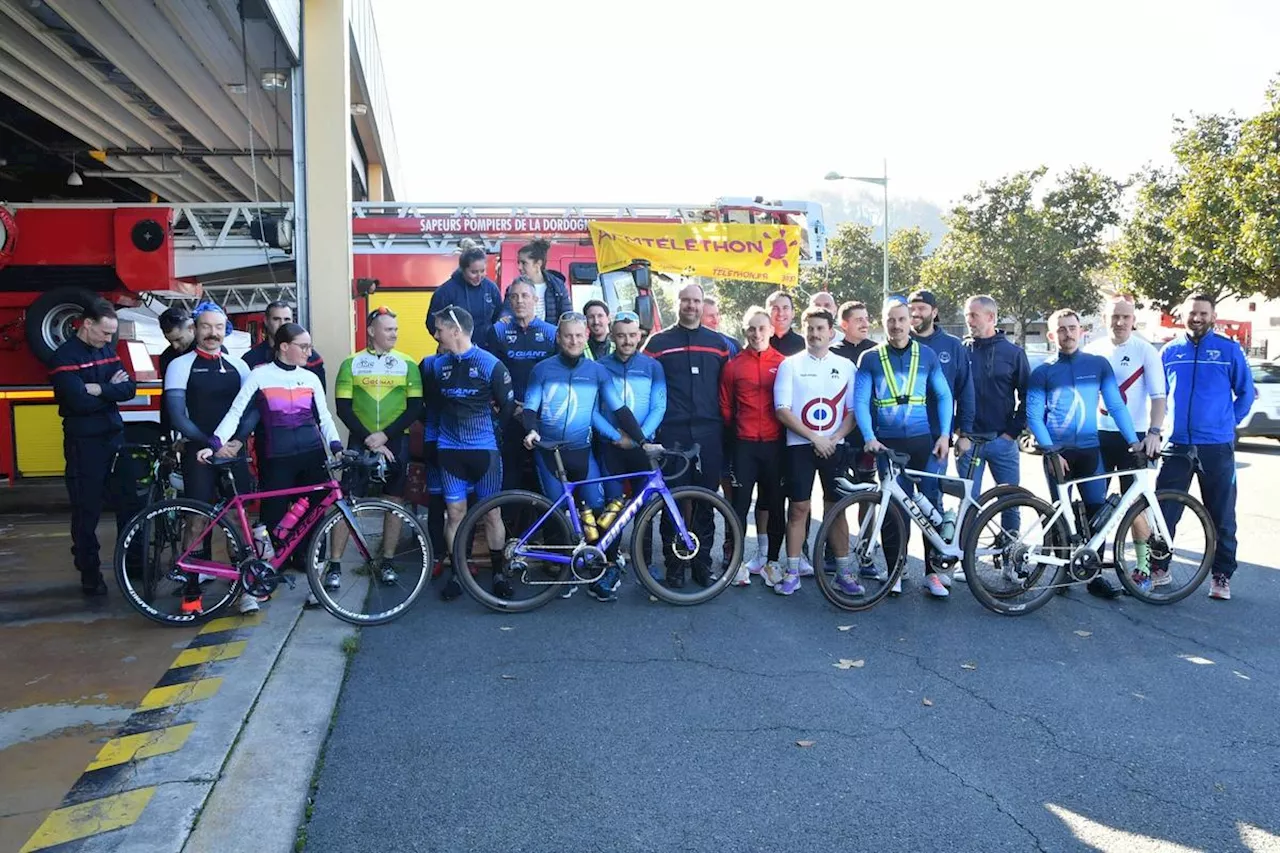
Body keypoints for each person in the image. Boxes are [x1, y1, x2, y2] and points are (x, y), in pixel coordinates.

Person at [524, 313, 651, 601]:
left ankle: (593, 566)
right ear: (558, 337)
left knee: (595, 505)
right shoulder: (542, 370)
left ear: (586, 338)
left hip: (582, 452)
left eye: (579, 336)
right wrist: (531, 431)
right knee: (558, 513)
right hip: (550, 453)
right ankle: (561, 574)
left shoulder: (596, 371)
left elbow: (619, 410)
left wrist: (642, 441)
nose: (574, 340)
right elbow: (530, 407)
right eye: (568, 335)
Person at [202, 324, 344, 577]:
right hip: (277, 458)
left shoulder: (310, 377)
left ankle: (311, 566)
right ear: (284, 347)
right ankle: (268, 569)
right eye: (304, 346)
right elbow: (236, 412)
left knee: (316, 513)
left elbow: (324, 418)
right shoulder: (260, 375)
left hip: (312, 455)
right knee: (273, 517)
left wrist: (336, 447)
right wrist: (215, 442)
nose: (309, 352)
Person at [1025, 309, 1141, 597]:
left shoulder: (1098, 365)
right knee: (1060, 514)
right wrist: (1051, 450)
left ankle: (1094, 575)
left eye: (1072, 328)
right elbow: (1034, 416)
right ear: (1053, 335)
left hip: (1091, 451)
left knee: (1096, 513)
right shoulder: (1043, 371)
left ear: (1082, 331)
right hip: (1058, 454)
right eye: (1061, 329)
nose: (1068, 334)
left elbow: (1115, 406)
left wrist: (1134, 441)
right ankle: (1063, 570)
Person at [852, 298, 953, 598]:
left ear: (910, 321)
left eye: (901, 319)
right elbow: (859, 401)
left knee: (929, 506)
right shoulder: (870, 358)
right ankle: (896, 570)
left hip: (923, 442)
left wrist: (945, 435)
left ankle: (933, 574)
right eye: (890, 320)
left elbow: (945, 396)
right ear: (882, 323)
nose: (896, 326)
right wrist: (869, 435)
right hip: (887, 444)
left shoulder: (928, 355)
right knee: (893, 508)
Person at [1158, 293, 1255, 600]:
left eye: (1202, 313)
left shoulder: (1229, 350)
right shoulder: (1170, 351)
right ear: (1182, 316)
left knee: (1221, 513)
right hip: (1176, 444)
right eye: (1191, 313)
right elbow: (1159, 395)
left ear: (1213, 316)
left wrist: (1227, 424)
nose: (1196, 318)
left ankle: (1222, 575)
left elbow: (1246, 393)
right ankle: (1160, 569)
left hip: (1216, 446)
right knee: (1164, 512)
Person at [163, 302, 256, 614]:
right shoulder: (180, 365)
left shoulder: (239, 366)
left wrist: (238, 441)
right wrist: (210, 443)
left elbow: (252, 410)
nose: (213, 333)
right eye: (206, 327)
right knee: (196, 520)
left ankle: (245, 589)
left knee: (238, 520)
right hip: (198, 452)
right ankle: (192, 591)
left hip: (232, 452)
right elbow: (177, 415)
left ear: (225, 328)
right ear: (195, 329)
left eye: (218, 327)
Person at [642, 283, 734, 587]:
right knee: (672, 502)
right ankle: (674, 567)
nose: (691, 306)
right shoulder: (658, 343)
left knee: (706, 501)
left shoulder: (719, 344)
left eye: (696, 301)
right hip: (673, 432)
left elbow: (728, 388)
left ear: (702, 304)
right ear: (678, 303)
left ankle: (701, 566)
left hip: (709, 432)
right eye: (686, 301)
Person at [328, 307, 424, 590]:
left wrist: (384, 436)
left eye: (395, 329)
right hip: (360, 440)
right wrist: (370, 437)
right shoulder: (351, 363)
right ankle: (334, 566)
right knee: (348, 502)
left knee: (394, 501)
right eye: (389, 329)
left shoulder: (407, 364)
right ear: (371, 331)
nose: (395, 333)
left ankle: (388, 560)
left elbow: (415, 407)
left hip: (395, 439)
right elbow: (343, 408)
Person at [423, 307, 514, 601]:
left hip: (484, 451)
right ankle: (459, 573)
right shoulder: (437, 366)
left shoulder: (490, 364)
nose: (436, 335)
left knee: (491, 514)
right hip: (449, 451)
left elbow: (508, 407)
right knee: (455, 515)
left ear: (455, 330)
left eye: (439, 330)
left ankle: (499, 573)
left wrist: (494, 433)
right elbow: (433, 406)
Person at [50, 298, 137, 596]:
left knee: (129, 502)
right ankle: (90, 573)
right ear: (87, 324)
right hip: (83, 444)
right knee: (87, 510)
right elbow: (78, 402)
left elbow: (129, 388)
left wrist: (99, 388)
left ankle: (133, 566)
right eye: (104, 332)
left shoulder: (107, 351)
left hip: (114, 438)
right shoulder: (64, 358)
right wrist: (109, 391)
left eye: (112, 333)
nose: (108, 339)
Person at [770, 307, 858, 596]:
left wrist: (833, 438)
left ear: (831, 332)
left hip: (835, 445)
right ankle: (792, 570)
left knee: (836, 509)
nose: (814, 333)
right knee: (798, 508)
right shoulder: (790, 365)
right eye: (810, 328)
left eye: (820, 328)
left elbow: (853, 412)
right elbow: (782, 410)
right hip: (799, 447)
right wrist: (814, 438)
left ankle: (843, 573)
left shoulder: (846, 366)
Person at [1084, 295, 1166, 580]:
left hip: (1136, 438)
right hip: (1097, 436)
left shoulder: (1146, 351)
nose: (1119, 322)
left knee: (1136, 503)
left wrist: (1155, 432)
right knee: (1095, 502)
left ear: (1133, 320)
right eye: (1114, 316)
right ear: (1105, 318)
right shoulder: (1093, 350)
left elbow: (1158, 397)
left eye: (1125, 317)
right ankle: (1092, 567)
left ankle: (1142, 567)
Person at [720, 307, 786, 586]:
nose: (757, 334)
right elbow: (724, 405)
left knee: (774, 505)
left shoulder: (784, 363)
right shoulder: (733, 365)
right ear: (744, 331)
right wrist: (736, 434)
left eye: (762, 328)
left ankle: (770, 561)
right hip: (744, 446)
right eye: (751, 328)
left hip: (775, 445)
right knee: (739, 506)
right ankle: (737, 564)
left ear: (771, 330)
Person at [957, 295, 1030, 541]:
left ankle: (1011, 555)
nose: (969, 321)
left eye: (973, 315)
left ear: (991, 317)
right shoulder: (961, 351)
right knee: (969, 504)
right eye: (967, 315)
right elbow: (947, 392)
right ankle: (967, 560)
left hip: (1003, 441)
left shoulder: (1013, 353)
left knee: (1010, 502)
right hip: (968, 444)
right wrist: (959, 431)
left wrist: (1012, 433)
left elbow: (1027, 395)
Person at [484, 277, 557, 493]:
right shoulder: (498, 332)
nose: (519, 301)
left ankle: (548, 525)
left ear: (535, 299)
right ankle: (509, 524)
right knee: (510, 476)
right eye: (514, 296)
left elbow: (558, 376)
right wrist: (510, 407)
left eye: (525, 296)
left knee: (545, 475)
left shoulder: (551, 332)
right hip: (511, 414)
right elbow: (491, 375)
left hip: (544, 415)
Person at [594, 311, 667, 502]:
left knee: (645, 510)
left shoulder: (653, 366)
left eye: (632, 335)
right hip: (611, 445)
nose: (627, 341)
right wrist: (616, 436)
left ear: (640, 335)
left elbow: (658, 407)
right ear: (611, 336)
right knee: (612, 509)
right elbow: (592, 411)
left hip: (643, 446)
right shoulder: (599, 367)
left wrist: (637, 440)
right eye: (621, 335)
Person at [909, 290, 975, 485]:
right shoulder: (899, 344)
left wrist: (964, 433)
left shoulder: (953, 346)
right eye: (911, 309)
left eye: (921, 308)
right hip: (901, 435)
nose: (916, 313)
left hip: (937, 437)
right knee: (897, 503)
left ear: (934, 312)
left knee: (932, 499)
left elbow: (965, 391)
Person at [425, 240, 503, 348]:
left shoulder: (491, 288)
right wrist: (446, 343)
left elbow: (498, 316)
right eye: (474, 272)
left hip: (486, 349)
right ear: (462, 269)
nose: (479, 276)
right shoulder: (445, 292)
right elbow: (432, 323)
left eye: (482, 271)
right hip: (454, 350)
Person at [243, 300, 326, 386]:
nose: (282, 324)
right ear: (266, 321)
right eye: (276, 319)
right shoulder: (250, 359)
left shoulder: (311, 358)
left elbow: (319, 395)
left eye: (287, 319)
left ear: (293, 321)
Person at [503, 237, 572, 323]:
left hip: (550, 335)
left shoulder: (557, 287)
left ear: (538, 264)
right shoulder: (514, 288)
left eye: (524, 263)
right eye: (518, 263)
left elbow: (567, 316)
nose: (519, 267)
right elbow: (506, 312)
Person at [159, 307, 195, 438]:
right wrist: (165, 432)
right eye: (170, 341)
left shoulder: (211, 351)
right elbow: (166, 397)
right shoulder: (167, 357)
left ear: (191, 328)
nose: (175, 346)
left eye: (179, 339)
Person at [766, 289, 804, 356]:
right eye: (775, 308)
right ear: (766, 313)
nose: (780, 313)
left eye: (785, 308)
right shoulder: (759, 342)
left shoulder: (804, 345)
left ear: (793, 313)